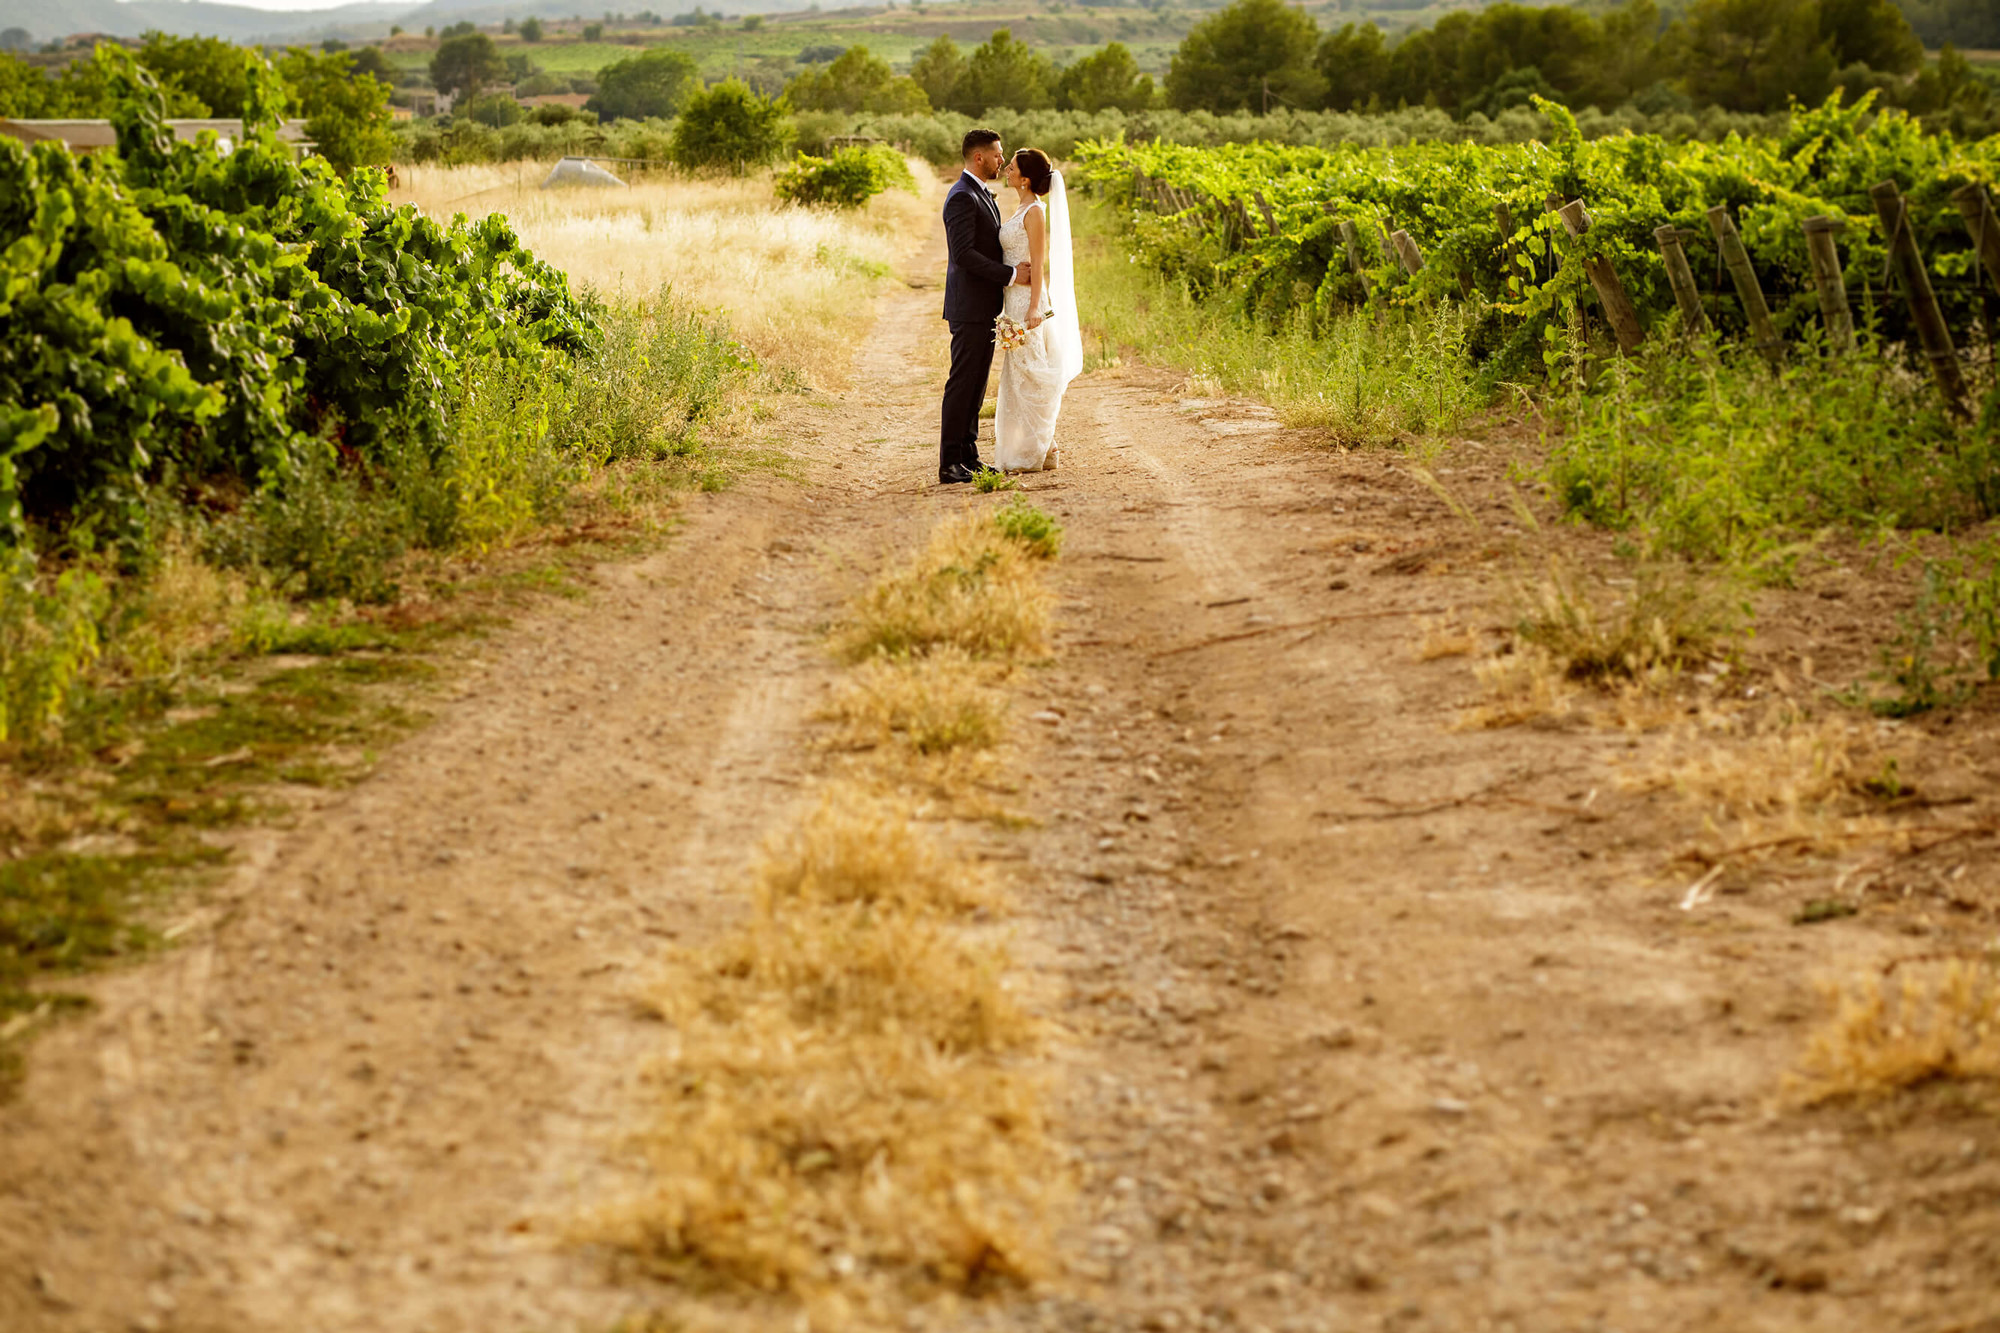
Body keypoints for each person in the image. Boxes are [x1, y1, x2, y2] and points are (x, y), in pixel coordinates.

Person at [938, 128, 1032, 486]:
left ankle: (970, 458)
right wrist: (1010, 275)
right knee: (962, 384)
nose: (1002, 161)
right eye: (997, 155)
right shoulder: (962, 196)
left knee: (976, 386)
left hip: (984, 308)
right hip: (970, 307)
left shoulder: (981, 193)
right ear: (979, 157)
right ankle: (949, 464)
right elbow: (963, 255)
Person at [992, 147, 1084, 474]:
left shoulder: (1035, 212)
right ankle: (1047, 448)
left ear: (1026, 179)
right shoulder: (1020, 207)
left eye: (1012, 167)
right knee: (1019, 377)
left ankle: (1037, 449)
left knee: (1031, 375)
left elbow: (1039, 264)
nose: (1006, 169)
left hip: (1027, 302)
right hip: (1012, 300)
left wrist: (1034, 308)